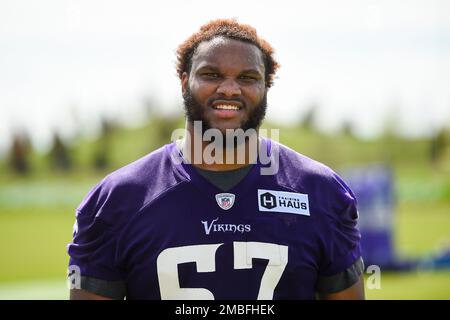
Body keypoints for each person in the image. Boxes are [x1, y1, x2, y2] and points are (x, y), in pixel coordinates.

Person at [68, 19, 365, 300]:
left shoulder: (321, 192)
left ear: (265, 89)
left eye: (248, 78)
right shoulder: (118, 198)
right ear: (184, 82)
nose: (229, 89)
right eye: (211, 74)